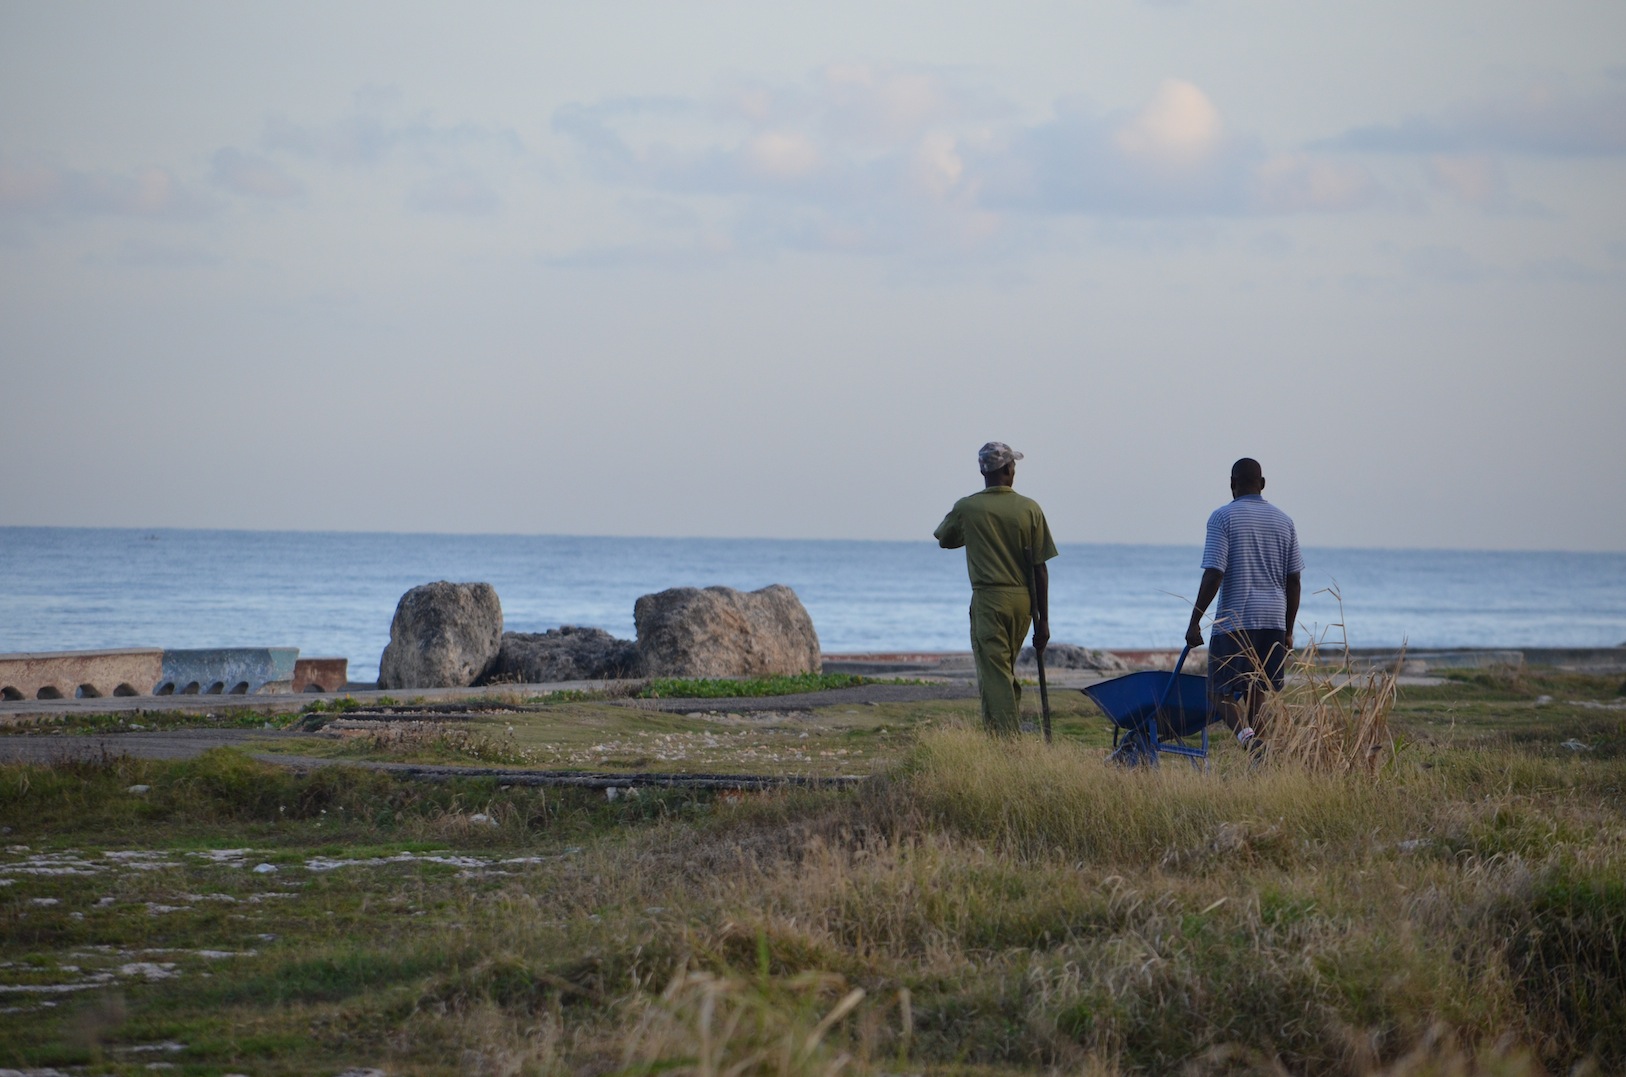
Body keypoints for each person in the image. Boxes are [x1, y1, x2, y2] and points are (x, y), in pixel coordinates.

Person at [934, 442, 1058, 736]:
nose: (1014, 469)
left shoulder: (969, 507)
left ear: (983, 471)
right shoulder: (1029, 508)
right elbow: (1040, 567)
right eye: (1013, 465)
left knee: (995, 674)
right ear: (1007, 469)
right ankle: (1002, 733)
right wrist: (1043, 621)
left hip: (990, 599)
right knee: (1002, 671)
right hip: (1023, 602)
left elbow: (945, 539)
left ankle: (1006, 742)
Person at [1184, 457, 1302, 758]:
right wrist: (1288, 631)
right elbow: (1294, 581)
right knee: (1258, 691)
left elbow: (1214, 572)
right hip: (1274, 620)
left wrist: (1195, 621)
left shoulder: (1223, 518)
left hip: (1236, 620)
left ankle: (1249, 741)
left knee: (1218, 692)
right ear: (1262, 485)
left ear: (1232, 485)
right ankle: (1258, 760)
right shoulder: (1284, 521)